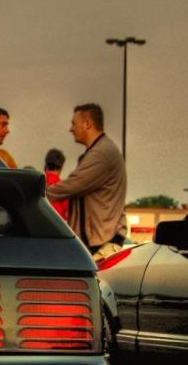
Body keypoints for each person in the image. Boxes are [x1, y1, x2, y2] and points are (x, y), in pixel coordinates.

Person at [46, 104, 127, 260]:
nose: (71, 129)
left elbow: (72, 185)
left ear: (88, 124)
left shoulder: (102, 153)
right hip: (97, 244)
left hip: (102, 246)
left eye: (74, 123)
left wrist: (36, 195)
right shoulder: (98, 151)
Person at [43, 148, 69, 220]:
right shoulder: (62, 186)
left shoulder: (40, 182)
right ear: (61, 166)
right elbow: (67, 213)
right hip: (56, 223)